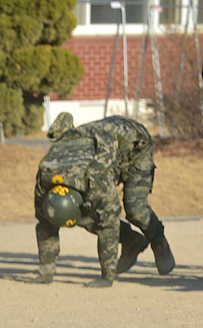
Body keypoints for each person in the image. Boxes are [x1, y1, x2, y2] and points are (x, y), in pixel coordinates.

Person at [29, 113, 175, 288]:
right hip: (104, 152)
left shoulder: (95, 180)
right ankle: (132, 241)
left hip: (135, 144)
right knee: (87, 216)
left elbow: (109, 225)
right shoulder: (44, 180)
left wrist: (107, 276)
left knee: (135, 208)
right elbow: (45, 225)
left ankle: (160, 244)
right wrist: (46, 271)